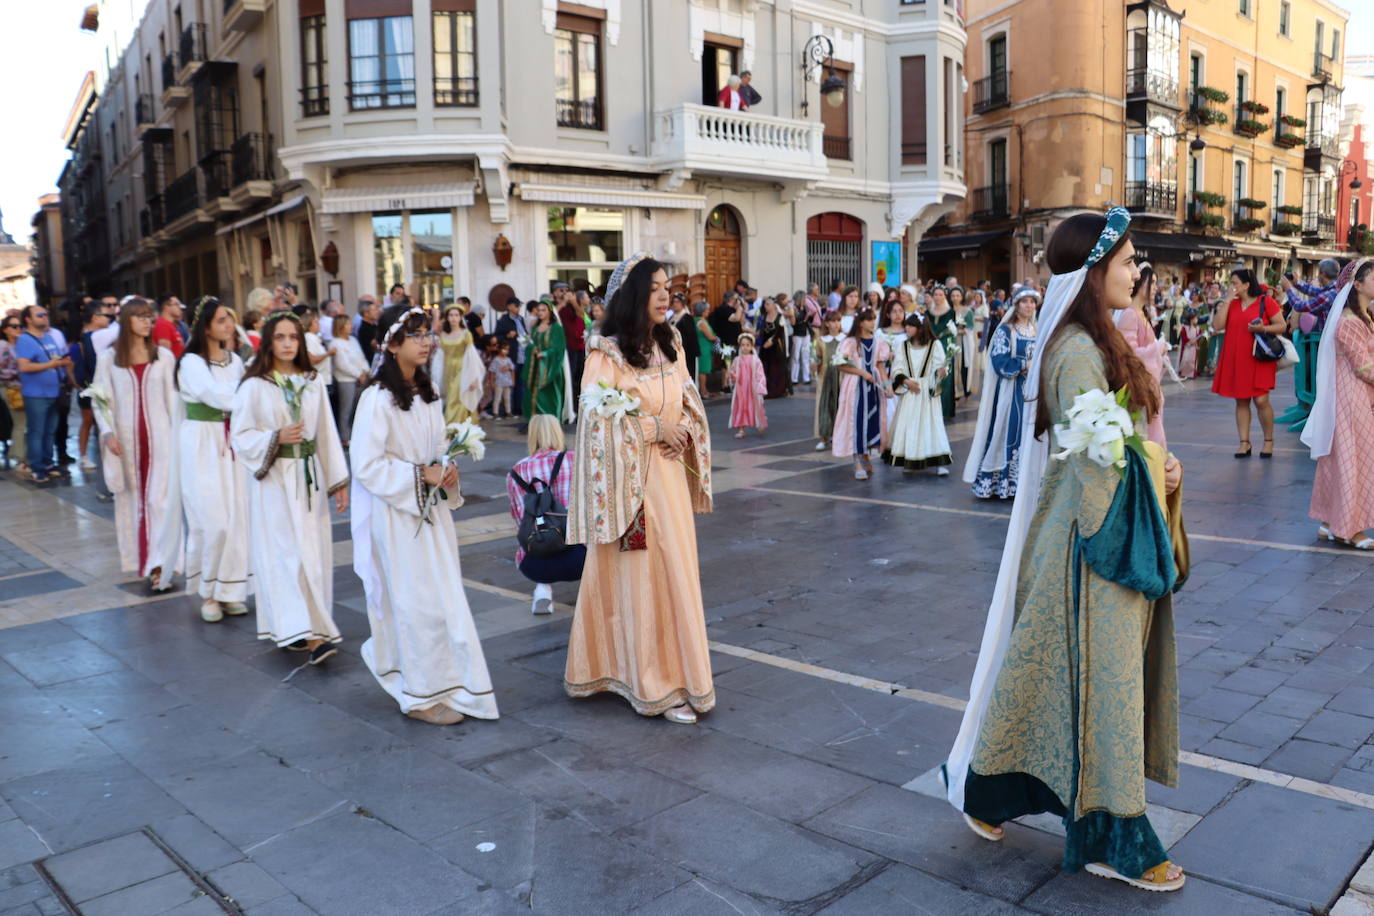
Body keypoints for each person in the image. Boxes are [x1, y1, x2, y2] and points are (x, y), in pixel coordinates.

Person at [944, 208, 1187, 893]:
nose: (1138, 272)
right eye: (1129, 261)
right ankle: (1115, 837)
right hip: (1093, 541)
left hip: (1092, 530)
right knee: (1100, 687)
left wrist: (1156, 462)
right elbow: (1096, 460)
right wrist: (1154, 465)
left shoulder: (1098, 337)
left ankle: (988, 793)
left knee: (1044, 677)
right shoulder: (1077, 349)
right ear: (1093, 271)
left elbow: (1115, 443)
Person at [565, 253, 714, 724]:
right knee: (645, 577)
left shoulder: (671, 342)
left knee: (676, 575)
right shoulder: (605, 353)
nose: (665, 294)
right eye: (654, 288)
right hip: (633, 484)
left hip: (669, 478)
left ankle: (678, 673)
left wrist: (686, 428)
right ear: (633, 296)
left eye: (668, 286)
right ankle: (655, 684)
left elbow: (689, 398)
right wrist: (653, 430)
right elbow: (594, 422)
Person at [349, 305, 499, 725]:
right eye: (415, 334)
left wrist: (446, 472)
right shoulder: (376, 399)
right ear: (391, 343)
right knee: (415, 603)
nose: (426, 340)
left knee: (441, 600)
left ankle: (446, 682)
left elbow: (434, 452)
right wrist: (420, 475)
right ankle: (418, 695)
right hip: (397, 518)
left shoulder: (428, 394)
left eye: (427, 333)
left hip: (431, 516)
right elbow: (366, 464)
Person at [230, 310, 349, 666]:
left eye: (292, 338)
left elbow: (326, 432)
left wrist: (337, 481)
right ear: (268, 342)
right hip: (276, 481)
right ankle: (311, 633)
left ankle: (299, 626)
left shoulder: (312, 381)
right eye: (279, 337)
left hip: (309, 480)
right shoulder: (255, 385)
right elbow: (241, 436)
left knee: (311, 552)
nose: (286, 344)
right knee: (285, 555)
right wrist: (275, 438)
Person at [93, 299, 180, 591]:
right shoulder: (109, 358)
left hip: (161, 441)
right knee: (133, 502)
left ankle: (160, 566)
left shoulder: (164, 357)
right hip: (126, 444)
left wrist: (180, 438)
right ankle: (143, 562)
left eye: (149, 317)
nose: (147, 322)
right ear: (127, 320)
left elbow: (174, 402)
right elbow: (100, 398)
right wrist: (107, 433)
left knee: (159, 501)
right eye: (141, 317)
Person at [174, 297, 250, 622]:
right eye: (221, 320)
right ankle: (207, 592)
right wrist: (243, 393)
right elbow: (215, 395)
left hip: (232, 443)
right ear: (205, 326)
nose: (229, 326)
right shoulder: (191, 362)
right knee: (211, 521)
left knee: (235, 517)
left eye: (230, 319)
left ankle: (230, 590)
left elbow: (248, 393)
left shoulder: (235, 361)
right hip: (202, 443)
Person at [1303, 258, 1374, 549]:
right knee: (1352, 458)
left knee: (1342, 457)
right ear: (1357, 285)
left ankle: (1330, 522)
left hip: (1358, 396)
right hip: (1351, 397)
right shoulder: (1349, 321)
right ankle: (1349, 529)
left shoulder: (1365, 317)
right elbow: (1364, 368)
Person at [964, 288, 1039, 499]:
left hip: (1032, 394)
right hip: (1011, 392)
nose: (1029, 305)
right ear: (1016, 305)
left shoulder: (1036, 329)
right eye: (1024, 302)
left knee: (1031, 435)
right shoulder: (1006, 331)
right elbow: (999, 362)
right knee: (1010, 433)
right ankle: (1004, 482)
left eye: (1032, 302)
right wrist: (1026, 364)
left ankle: (1026, 482)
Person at [507, 415, 586, 615]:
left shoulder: (516, 471)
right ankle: (592, 594)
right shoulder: (575, 459)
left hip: (533, 563)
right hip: (580, 557)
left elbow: (519, 521)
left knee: (539, 536)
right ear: (558, 432)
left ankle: (543, 589)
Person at [1211, 269, 1285, 458]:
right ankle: (1244, 442)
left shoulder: (1265, 301)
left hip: (1258, 357)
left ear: (1246, 284)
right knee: (1241, 400)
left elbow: (1282, 325)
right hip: (1237, 357)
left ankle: (1268, 440)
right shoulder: (1232, 304)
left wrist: (1263, 328)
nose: (1232, 286)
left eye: (1235, 283)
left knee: (1261, 400)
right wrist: (1226, 300)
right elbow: (1217, 326)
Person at [883, 314, 952, 475]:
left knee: (932, 425)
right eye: (906, 325)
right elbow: (897, 368)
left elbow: (941, 366)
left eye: (910, 326)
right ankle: (910, 459)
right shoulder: (903, 346)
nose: (906, 328)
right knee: (910, 425)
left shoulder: (935, 345)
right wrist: (907, 382)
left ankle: (939, 461)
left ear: (920, 328)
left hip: (927, 392)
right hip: (910, 392)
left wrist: (941, 372)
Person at [1279, 258, 1341, 432]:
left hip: (1328, 344)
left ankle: (1315, 411)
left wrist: (1289, 290)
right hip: (1327, 343)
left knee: (1319, 378)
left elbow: (1301, 305)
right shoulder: (1334, 289)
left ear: (1322, 273)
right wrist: (1297, 284)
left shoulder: (1331, 294)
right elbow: (1316, 292)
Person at [14, 305, 73, 481]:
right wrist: (52, 365)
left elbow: (55, 358)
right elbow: (24, 366)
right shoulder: (25, 340)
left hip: (53, 391)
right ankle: (36, 466)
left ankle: (48, 462)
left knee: (50, 430)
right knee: (37, 430)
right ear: (28, 319)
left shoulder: (49, 336)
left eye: (46, 314)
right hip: (36, 393)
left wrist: (63, 364)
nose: (45, 317)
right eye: (40, 315)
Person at [832, 308, 891, 480]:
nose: (873, 322)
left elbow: (880, 365)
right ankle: (857, 460)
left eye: (874, 319)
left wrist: (887, 385)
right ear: (860, 322)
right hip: (855, 388)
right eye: (869, 319)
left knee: (872, 420)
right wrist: (862, 373)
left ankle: (866, 453)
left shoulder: (878, 342)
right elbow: (840, 365)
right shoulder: (849, 342)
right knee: (855, 422)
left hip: (873, 387)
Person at [1116, 263, 1169, 447]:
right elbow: (1130, 355)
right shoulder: (1130, 314)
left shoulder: (1142, 313)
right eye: (1152, 282)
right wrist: (1159, 347)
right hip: (1140, 387)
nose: (1155, 288)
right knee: (1147, 437)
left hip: (1150, 384)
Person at [72, 302, 109, 470]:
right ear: (95, 318)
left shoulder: (96, 337)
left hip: (97, 386)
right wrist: (83, 386)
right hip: (91, 386)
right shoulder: (87, 340)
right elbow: (75, 367)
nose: (110, 319)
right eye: (106, 315)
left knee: (98, 422)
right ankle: (84, 455)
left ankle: (89, 455)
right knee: (89, 420)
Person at [524, 300, 574, 421]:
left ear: (550, 311)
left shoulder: (556, 327)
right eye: (538, 310)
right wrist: (532, 349)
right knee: (533, 396)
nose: (540, 312)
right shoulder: (535, 327)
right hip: (536, 367)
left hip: (551, 367)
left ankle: (551, 423)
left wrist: (545, 353)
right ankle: (535, 421)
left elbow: (559, 348)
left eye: (543, 310)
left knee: (549, 396)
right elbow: (532, 344)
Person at [432, 305, 483, 424]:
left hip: (463, 369)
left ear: (461, 317)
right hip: (447, 371)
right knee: (451, 397)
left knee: (456, 399)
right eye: (451, 315)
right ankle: (462, 428)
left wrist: (473, 378)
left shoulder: (466, 334)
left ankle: (452, 427)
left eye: (456, 315)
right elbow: (439, 357)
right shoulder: (443, 335)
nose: (454, 318)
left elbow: (472, 357)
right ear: (447, 318)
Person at [330, 314, 370, 445]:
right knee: (346, 409)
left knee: (358, 408)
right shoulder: (335, 343)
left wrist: (365, 371)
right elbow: (342, 364)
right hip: (346, 380)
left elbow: (361, 357)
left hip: (361, 379)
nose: (351, 326)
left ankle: (356, 433)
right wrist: (358, 374)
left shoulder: (353, 340)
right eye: (348, 324)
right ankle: (344, 436)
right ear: (341, 327)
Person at [812, 311, 844, 452]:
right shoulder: (821, 340)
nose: (835, 324)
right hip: (825, 376)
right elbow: (818, 357)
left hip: (842, 376)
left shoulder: (845, 339)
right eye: (832, 321)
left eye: (838, 321)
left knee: (840, 405)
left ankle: (840, 437)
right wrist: (814, 363)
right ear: (826, 323)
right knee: (823, 405)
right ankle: (823, 437)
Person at [728, 332, 768, 438]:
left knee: (756, 405)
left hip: (752, 388)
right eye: (742, 345)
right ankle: (741, 429)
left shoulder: (756, 360)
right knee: (741, 406)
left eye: (747, 345)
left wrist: (760, 386)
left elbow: (760, 374)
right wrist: (732, 375)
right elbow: (734, 373)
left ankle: (760, 423)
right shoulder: (737, 360)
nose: (745, 347)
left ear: (751, 346)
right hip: (741, 388)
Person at [927, 287, 959, 420]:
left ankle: (945, 410)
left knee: (945, 378)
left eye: (940, 294)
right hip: (930, 346)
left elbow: (953, 331)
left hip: (945, 347)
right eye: (935, 294)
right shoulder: (928, 312)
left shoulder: (950, 312)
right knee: (931, 376)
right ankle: (931, 410)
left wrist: (949, 348)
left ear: (944, 296)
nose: (938, 297)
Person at [494, 296, 528, 416]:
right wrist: (507, 336)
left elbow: (525, 336)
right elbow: (497, 337)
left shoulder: (521, 319)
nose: (518, 308)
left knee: (521, 383)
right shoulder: (503, 321)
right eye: (516, 305)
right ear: (509, 306)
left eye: (519, 306)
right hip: (511, 356)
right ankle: (509, 409)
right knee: (509, 384)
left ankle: (519, 408)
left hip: (523, 355)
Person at [0, 316, 27, 470]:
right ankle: (20, 457)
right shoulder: (3, 345)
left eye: (20, 326)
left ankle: (20, 455)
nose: (18, 329)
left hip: (22, 387)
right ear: (5, 329)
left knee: (23, 422)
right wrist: (20, 372)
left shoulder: (20, 344)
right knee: (20, 422)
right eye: (14, 326)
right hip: (11, 388)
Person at [557, 284, 588, 398]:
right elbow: (553, 314)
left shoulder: (577, 307)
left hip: (580, 347)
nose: (565, 293)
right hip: (568, 347)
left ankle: (577, 401)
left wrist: (574, 302)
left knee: (579, 376)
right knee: (569, 376)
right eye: (562, 291)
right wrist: (564, 302)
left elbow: (582, 316)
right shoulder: (560, 306)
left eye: (568, 291)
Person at [756, 297, 789, 399]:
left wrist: (771, 341)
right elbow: (761, 331)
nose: (765, 306)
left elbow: (780, 332)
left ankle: (777, 390)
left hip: (775, 346)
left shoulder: (780, 317)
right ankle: (766, 389)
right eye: (765, 304)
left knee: (776, 369)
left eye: (767, 304)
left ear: (774, 305)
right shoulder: (764, 316)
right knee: (765, 368)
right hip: (765, 346)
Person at [693, 302, 717, 395]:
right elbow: (710, 336)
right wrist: (716, 337)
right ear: (702, 311)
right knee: (703, 370)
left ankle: (704, 390)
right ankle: (703, 391)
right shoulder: (701, 322)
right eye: (707, 309)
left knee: (702, 370)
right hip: (704, 347)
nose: (708, 311)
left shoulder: (695, 320)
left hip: (702, 346)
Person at [489, 342, 516, 418]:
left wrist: (513, 381)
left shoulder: (508, 359)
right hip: (498, 382)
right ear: (499, 349)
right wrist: (492, 382)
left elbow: (513, 369)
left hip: (507, 382)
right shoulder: (496, 360)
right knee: (497, 398)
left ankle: (508, 412)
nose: (506, 351)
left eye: (507, 349)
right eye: (504, 349)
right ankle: (495, 413)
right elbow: (492, 371)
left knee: (507, 398)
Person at [355, 296, 383, 364]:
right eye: (374, 310)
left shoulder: (374, 325)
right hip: (372, 362)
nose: (377, 312)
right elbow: (376, 345)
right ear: (366, 313)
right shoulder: (364, 329)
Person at [1177, 311, 1202, 379]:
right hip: (1187, 347)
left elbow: (1199, 336)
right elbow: (1183, 336)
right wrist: (1189, 342)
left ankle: (1191, 373)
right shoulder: (1185, 328)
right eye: (1195, 319)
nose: (1196, 320)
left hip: (1194, 347)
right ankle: (1184, 372)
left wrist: (1196, 342)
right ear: (1191, 320)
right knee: (1185, 359)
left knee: (1192, 360)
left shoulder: (1198, 329)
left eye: (1197, 319)